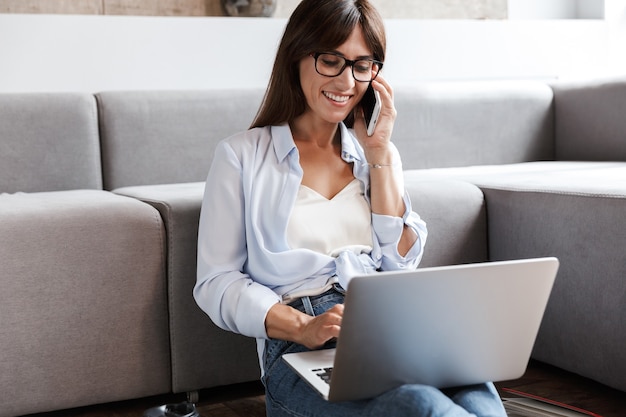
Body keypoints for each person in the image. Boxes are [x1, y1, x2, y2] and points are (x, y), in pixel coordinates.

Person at [194, 0, 507, 415]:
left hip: (386, 328)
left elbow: (398, 265)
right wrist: (303, 326)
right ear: (297, 56)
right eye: (331, 61)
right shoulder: (242, 156)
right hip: (299, 345)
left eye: (363, 65)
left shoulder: (372, 155)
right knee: (418, 404)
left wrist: (380, 154)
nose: (347, 81)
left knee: (474, 387)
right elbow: (216, 280)